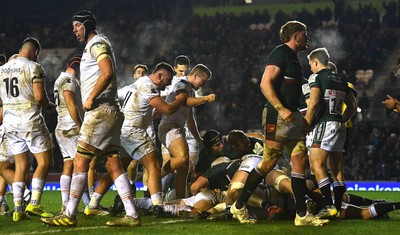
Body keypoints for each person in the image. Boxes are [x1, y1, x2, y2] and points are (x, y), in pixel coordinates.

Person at [41, 10, 140, 227]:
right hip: (111, 111)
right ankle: (132, 215)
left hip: (101, 110)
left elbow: (107, 72)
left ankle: (69, 214)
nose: (74, 30)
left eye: (77, 25)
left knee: (80, 161)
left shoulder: (96, 43)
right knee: (113, 164)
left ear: (87, 25)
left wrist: (91, 97)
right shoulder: (92, 46)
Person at [230, 20, 329, 226]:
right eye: (305, 34)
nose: (307, 37)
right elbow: (265, 83)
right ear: (295, 37)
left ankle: (301, 216)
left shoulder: (293, 57)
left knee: (299, 162)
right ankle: (238, 206)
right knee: (268, 163)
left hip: (292, 118)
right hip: (278, 117)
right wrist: (280, 108)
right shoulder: (280, 53)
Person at [0, 37, 55, 221]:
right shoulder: (33, 67)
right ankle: (35, 204)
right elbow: (39, 97)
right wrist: (48, 106)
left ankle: (18, 208)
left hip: (10, 122)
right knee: (45, 161)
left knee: (21, 166)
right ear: (36, 52)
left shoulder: (2, 70)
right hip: (29, 119)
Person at [120, 62, 187, 206]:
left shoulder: (138, 84)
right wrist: (179, 100)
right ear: (160, 75)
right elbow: (168, 110)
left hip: (124, 129)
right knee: (154, 164)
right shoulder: (148, 86)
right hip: (133, 130)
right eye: (167, 81)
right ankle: (157, 205)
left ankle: (93, 204)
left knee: (118, 167)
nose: (168, 85)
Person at [305, 48, 357, 219]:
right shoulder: (341, 79)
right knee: (337, 171)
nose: (311, 68)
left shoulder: (317, 77)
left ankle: (328, 206)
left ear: (315, 62)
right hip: (340, 126)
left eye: (311, 64)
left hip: (325, 123)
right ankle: (338, 207)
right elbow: (353, 106)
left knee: (316, 164)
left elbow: (312, 103)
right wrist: (341, 119)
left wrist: (305, 125)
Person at [158, 64, 215, 199]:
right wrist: (206, 98)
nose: (202, 85)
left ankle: (179, 201)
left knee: (183, 167)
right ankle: (155, 176)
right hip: (169, 126)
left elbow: (190, 120)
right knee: (182, 158)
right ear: (195, 76)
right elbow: (184, 102)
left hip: (177, 127)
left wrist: (198, 139)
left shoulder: (190, 90)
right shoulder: (182, 83)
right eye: (203, 81)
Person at [53, 54, 94, 213]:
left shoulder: (59, 78)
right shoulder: (69, 80)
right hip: (70, 127)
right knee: (80, 164)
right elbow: (70, 101)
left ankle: (72, 203)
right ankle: (83, 204)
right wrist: (80, 124)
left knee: (70, 164)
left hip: (61, 126)